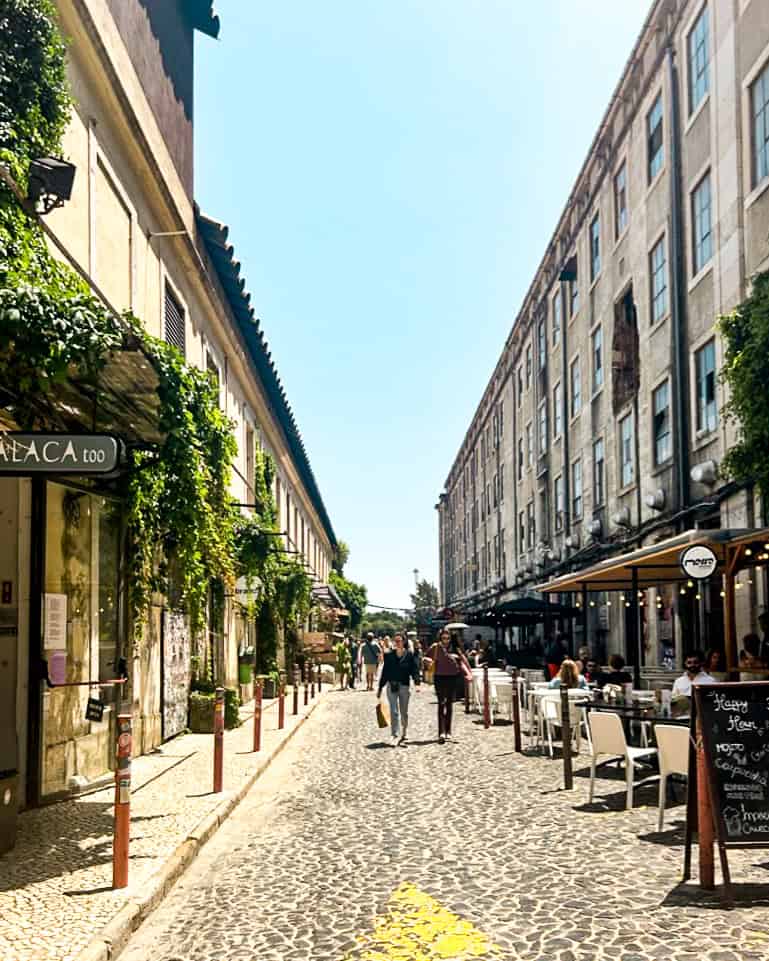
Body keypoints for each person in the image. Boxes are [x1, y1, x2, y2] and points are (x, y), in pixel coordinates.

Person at [425, 628, 471, 743]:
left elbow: (463, 661)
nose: (446, 640)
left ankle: (448, 731)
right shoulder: (435, 647)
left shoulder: (455, 648)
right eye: (444, 638)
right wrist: (429, 661)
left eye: (448, 638)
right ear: (440, 637)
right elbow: (425, 657)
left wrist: (468, 673)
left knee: (449, 704)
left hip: (452, 677)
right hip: (439, 677)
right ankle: (441, 732)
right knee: (441, 703)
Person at [378, 633, 420, 746]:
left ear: (404, 642)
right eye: (395, 641)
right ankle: (394, 734)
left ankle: (404, 732)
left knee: (404, 711)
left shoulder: (409, 655)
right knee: (394, 711)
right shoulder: (389, 655)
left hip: (404, 686)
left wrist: (417, 683)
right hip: (391, 685)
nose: (397, 643)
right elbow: (385, 671)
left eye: (399, 640)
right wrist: (380, 687)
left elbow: (414, 670)